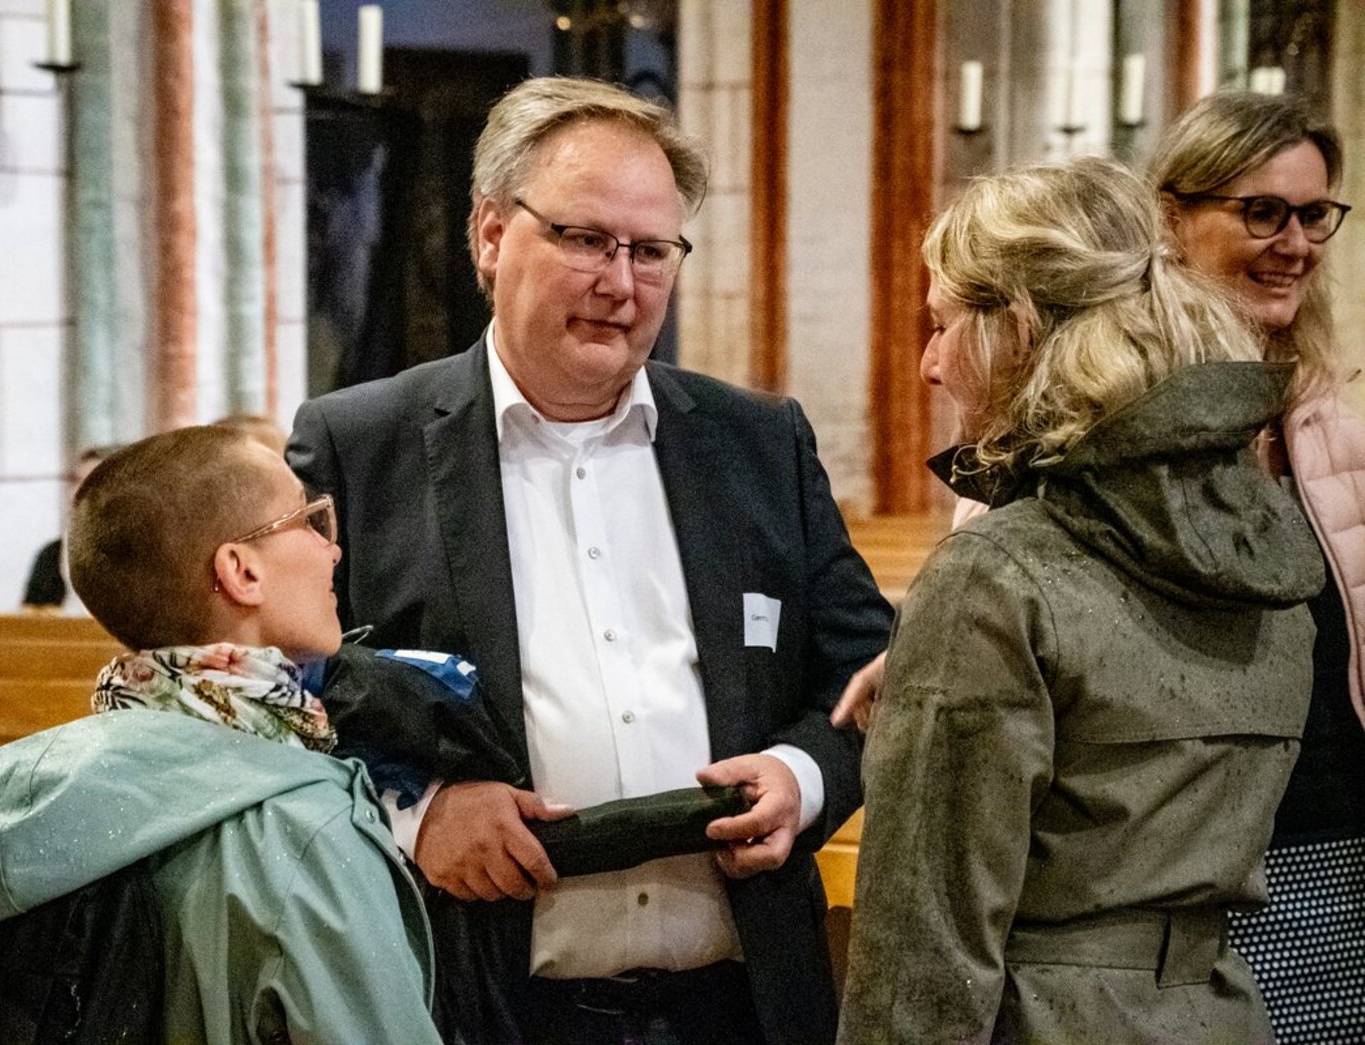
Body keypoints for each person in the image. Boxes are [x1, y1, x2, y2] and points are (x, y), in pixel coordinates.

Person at [287, 76, 894, 1045]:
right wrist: (418, 806)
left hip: (738, 1002)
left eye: (650, 250)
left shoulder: (754, 442)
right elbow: (281, 686)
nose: (619, 282)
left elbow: (873, 675)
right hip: (480, 1002)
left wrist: (800, 774)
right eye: (583, 239)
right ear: (490, 235)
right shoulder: (360, 446)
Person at [840, 155, 1323, 1043]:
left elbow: (926, 947)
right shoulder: (1271, 548)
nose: (929, 363)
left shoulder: (995, 575)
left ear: (1016, 328)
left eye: (943, 324)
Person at [0, 425, 442, 1045]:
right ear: (240, 571)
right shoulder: (308, 830)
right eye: (307, 520)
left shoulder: (23, 803)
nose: (332, 550)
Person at [1151, 90, 1364, 1042]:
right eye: (1261, 212)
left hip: (1339, 845)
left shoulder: (1336, 414)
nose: (1295, 243)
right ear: (1172, 218)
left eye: (1314, 214)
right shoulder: (1105, 414)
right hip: (1185, 869)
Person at [22, 445, 114, 612]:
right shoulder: (51, 556)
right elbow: (30, 620)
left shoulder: (139, 557)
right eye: (78, 481)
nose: (82, 489)